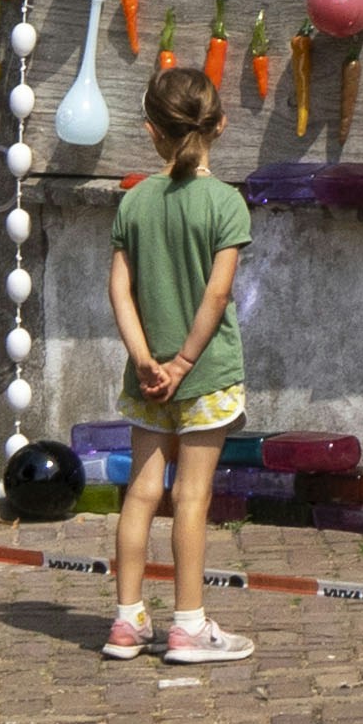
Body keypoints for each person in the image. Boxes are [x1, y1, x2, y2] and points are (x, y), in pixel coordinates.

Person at [102, 62, 256, 665]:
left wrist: (147, 361)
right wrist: (185, 362)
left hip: (147, 379)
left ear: (150, 131)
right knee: (191, 498)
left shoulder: (134, 202)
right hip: (206, 373)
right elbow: (216, 296)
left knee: (139, 495)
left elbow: (119, 290)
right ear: (219, 124)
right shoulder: (226, 204)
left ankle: (126, 620)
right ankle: (188, 626)